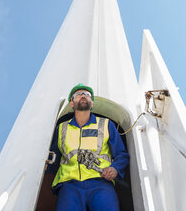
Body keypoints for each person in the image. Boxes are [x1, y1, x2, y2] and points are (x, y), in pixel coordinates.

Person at [46, 83, 130, 211]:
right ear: (72, 103)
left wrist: (115, 168)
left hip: (101, 184)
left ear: (91, 103)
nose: (83, 96)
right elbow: (53, 157)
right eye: (78, 94)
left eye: (87, 94)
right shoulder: (61, 128)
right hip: (69, 186)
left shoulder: (106, 124)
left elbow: (121, 154)